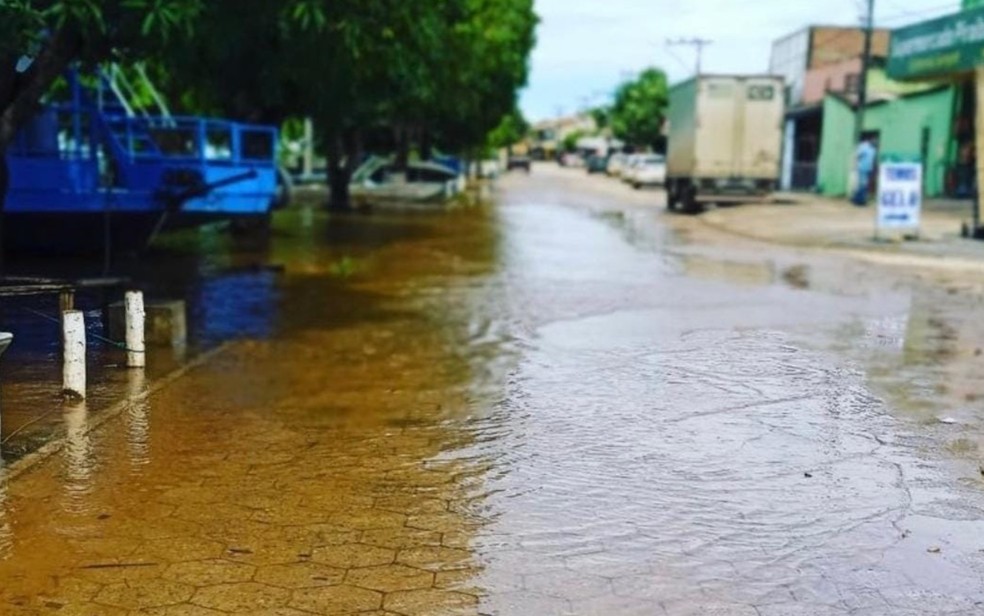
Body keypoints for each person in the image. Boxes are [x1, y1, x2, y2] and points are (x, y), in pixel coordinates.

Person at [851, 137, 878, 206]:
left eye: (876, 142)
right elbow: (857, 156)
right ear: (870, 140)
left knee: (863, 185)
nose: (875, 143)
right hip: (862, 168)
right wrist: (857, 164)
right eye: (874, 141)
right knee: (863, 184)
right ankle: (860, 200)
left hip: (868, 169)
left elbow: (873, 159)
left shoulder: (873, 149)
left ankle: (856, 199)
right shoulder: (864, 146)